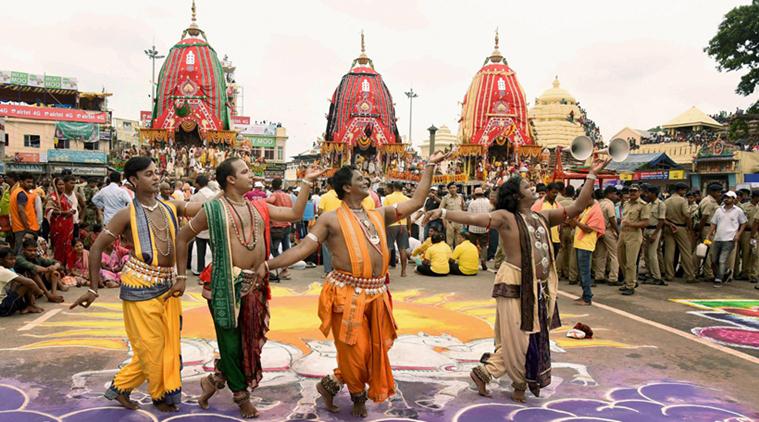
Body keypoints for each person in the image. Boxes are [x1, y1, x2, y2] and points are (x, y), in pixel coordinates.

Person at [256, 151, 450, 417]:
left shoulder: (378, 214)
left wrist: (429, 164)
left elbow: (417, 201)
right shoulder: (330, 218)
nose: (366, 180)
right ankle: (357, 396)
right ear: (347, 187)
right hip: (347, 294)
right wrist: (269, 265)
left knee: (374, 349)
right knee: (354, 353)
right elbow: (302, 249)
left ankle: (332, 383)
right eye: (360, 178)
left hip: (378, 294)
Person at [423, 158, 609, 402]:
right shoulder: (505, 217)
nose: (532, 186)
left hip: (538, 288)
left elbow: (577, 207)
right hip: (514, 284)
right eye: (526, 186)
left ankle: (487, 372)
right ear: (516, 195)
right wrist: (444, 212)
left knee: (528, 336)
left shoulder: (542, 217)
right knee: (518, 338)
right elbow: (474, 219)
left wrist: (592, 175)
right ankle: (516, 383)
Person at [176, 158, 323, 418]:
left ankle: (214, 379)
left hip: (254, 285)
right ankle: (241, 397)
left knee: (248, 344)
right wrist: (181, 276)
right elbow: (183, 237)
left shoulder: (258, 206)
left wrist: (307, 182)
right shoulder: (212, 209)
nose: (250, 174)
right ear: (230, 180)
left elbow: (294, 214)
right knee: (231, 345)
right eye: (244, 171)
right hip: (223, 286)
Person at [68, 157, 203, 413]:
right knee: (152, 346)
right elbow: (96, 247)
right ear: (133, 180)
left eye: (156, 173)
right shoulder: (125, 214)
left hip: (168, 285)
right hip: (140, 285)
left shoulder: (171, 207)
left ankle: (120, 387)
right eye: (149, 174)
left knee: (164, 344)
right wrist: (93, 288)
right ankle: (159, 394)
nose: (155, 177)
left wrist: (226, 200)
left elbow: (199, 207)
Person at [706, 191, 747, 287]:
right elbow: (713, 223)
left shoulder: (738, 211)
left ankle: (719, 279)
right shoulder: (719, 210)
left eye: (728, 197)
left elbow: (744, 223)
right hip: (718, 238)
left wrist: (738, 234)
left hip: (729, 239)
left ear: (733, 199)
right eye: (725, 197)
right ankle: (726, 271)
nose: (726, 199)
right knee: (714, 259)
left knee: (722, 259)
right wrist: (709, 234)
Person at [617, 184, 650, 295]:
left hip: (634, 234)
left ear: (639, 192)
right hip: (623, 233)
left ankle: (630, 285)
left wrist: (631, 224)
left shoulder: (643, 205)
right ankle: (628, 281)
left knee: (631, 262)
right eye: (630, 191)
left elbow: (645, 222)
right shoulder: (626, 203)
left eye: (634, 191)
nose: (632, 193)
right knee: (621, 259)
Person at [663, 182, 696, 283]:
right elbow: (687, 215)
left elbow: (662, 217)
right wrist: (690, 229)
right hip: (680, 227)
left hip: (669, 226)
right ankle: (690, 275)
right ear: (681, 190)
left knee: (669, 252)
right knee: (686, 251)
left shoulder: (666, 201)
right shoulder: (682, 201)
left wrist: (669, 224)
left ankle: (669, 274)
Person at [573, 200, 605, 305]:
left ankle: (587, 297)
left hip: (586, 244)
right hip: (580, 243)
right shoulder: (587, 209)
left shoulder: (596, 211)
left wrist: (576, 222)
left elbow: (589, 229)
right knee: (582, 272)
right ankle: (584, 295)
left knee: (584, 272)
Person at [0, 247, 46, 316]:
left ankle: (26, 306)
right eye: (10, 259)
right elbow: (31, 283)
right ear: (1, 260)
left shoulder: (5, 269)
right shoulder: (3, 271)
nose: (13, 261)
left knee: (19, 281)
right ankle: (29, 305)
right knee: (26, 284)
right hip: (2, 308)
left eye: (14, 259)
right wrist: (39, 292)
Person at [267, 178, 294, 280]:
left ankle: (283, 268)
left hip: (277, 226)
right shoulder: (287, 196)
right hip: (287, 225)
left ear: (273, 186)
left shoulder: (274, 195)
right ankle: (285, 269)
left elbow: (270, 201)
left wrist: (261, 201)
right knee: (286, 248)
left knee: (274, 249)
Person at [593, 186, 620, 285]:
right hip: (608, 230)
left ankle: (599, 275)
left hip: (599, 231)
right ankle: (613, 277)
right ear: (610, 194)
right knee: (614, 254)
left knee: (600, 254)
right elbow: (612, 219)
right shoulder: (609, 204)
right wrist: (617, 231)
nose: (615, 196)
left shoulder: (598, 203)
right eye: (614, 194)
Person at [383, 181, 410, 277]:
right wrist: (409, 228)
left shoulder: (388, 198)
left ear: (393, 188)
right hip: (403, 225)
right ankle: (403, 272)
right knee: (402, 249)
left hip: (391, 225)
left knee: (388, 248)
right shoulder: (407, 198)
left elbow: (385, 213)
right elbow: (408, 216)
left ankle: (385, 271)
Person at [46, 178, 75, 265]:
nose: (62, 186)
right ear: (55, 185)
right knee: (59, 247)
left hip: (67, 226)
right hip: (58, 227)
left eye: (63, 184)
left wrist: (72, 211)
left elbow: (70, 207)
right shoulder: (52, 197)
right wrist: (64, 213)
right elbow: (49, 210)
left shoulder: (64, 197)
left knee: (67, 246)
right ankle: (58, 265)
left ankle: (67, 266)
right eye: (59, 185)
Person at [190, 175, 215, 276]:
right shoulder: (214, 194)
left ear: (197, 184)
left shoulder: (195, 197)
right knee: (215, 253)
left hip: (199, 229)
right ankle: (216, 271)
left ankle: (201, 272)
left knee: (201, 253)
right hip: (212, 228)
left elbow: (192, 213)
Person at [641, 185, 666, 286]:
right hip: (646, 230)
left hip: (654, 230)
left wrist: (655, 234)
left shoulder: (661, 204)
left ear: (654, 194)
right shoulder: (648, 204)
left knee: (652, 254)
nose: (647, 195)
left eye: (649, 193)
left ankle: (656, 276)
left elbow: (661, 220)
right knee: (646, 254)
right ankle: (649, 273)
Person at [697, 183, 722, 280]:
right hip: (707, 229)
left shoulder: (710, 200)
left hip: (709, 228)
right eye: (718, 192)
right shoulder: (709, 202)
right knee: (709, 252)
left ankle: (703, 271)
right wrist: (700, 230)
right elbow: (704, 217)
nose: (719, 194)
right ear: (712, 192)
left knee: (706, 250)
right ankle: (708, 273)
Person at [10, 173, 40, 253]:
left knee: (20, 250)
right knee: (23, 252)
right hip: (24, 229)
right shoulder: (21, 194)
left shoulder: (17, 192)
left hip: (20, 228)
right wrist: (27, 228)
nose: (31, 184)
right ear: (21, 182)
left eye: (31, 182)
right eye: (28, 182)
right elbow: (21, 211)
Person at [316, 177, 341, 275]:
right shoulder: (341, 196)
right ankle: (338, 270)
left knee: (326, 249)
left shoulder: (325, 196)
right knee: (339, 248)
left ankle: (328, 271)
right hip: (340, 224)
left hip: (327, 226)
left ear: (329, 185)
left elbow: (320, 211)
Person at [531, 182, 563, 256]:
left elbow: (560, 224)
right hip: (543, 239)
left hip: (555, 239)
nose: (555, 195)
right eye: (553, 192)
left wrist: (561, 239)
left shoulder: (558, 206)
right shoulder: (539, 205)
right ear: (547, 192)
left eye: (556, 193)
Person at [468, 187, 494, 270]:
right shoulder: (488, 202)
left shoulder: (472, 203)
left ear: (475, 194)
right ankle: (483, 260)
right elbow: (492, 213)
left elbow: (469, 215)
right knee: (484, 245)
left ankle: (473, 260)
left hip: (473, 228)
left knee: (473, 245)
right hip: (484, 227)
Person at [735, 190, 759, 280]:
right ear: (754, 197)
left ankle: (753, 273)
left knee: (754, 253)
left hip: (755, 233)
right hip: (746, 232)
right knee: (745, 253)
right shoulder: (744, 206)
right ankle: (744, 272)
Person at [439, 182, 465, 247]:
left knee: (459, 241)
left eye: (454, 188)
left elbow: (463, 208)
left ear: (456, 189)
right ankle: (450, 256)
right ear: (448, 189)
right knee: (449, 242)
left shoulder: (460, 197)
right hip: (450, 222)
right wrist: (444, 221)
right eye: (451, 188)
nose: (453, 189)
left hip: (459, 221)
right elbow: (441, 210)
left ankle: (457, 256)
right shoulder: (445, 198)